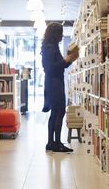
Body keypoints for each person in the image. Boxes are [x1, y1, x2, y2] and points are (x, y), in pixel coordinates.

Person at [41, 23, 79, 153]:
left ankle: (51, 143)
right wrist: (66, 60)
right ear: (55, 34)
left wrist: (70, 60)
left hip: (54, 82)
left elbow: (59, 66)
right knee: (59, 112)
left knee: (55, 113)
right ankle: (55, 143)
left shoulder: (50, 47)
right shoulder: (50, 47)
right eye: (60, 33)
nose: (62, 36)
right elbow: (50, 67)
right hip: (54, 83)